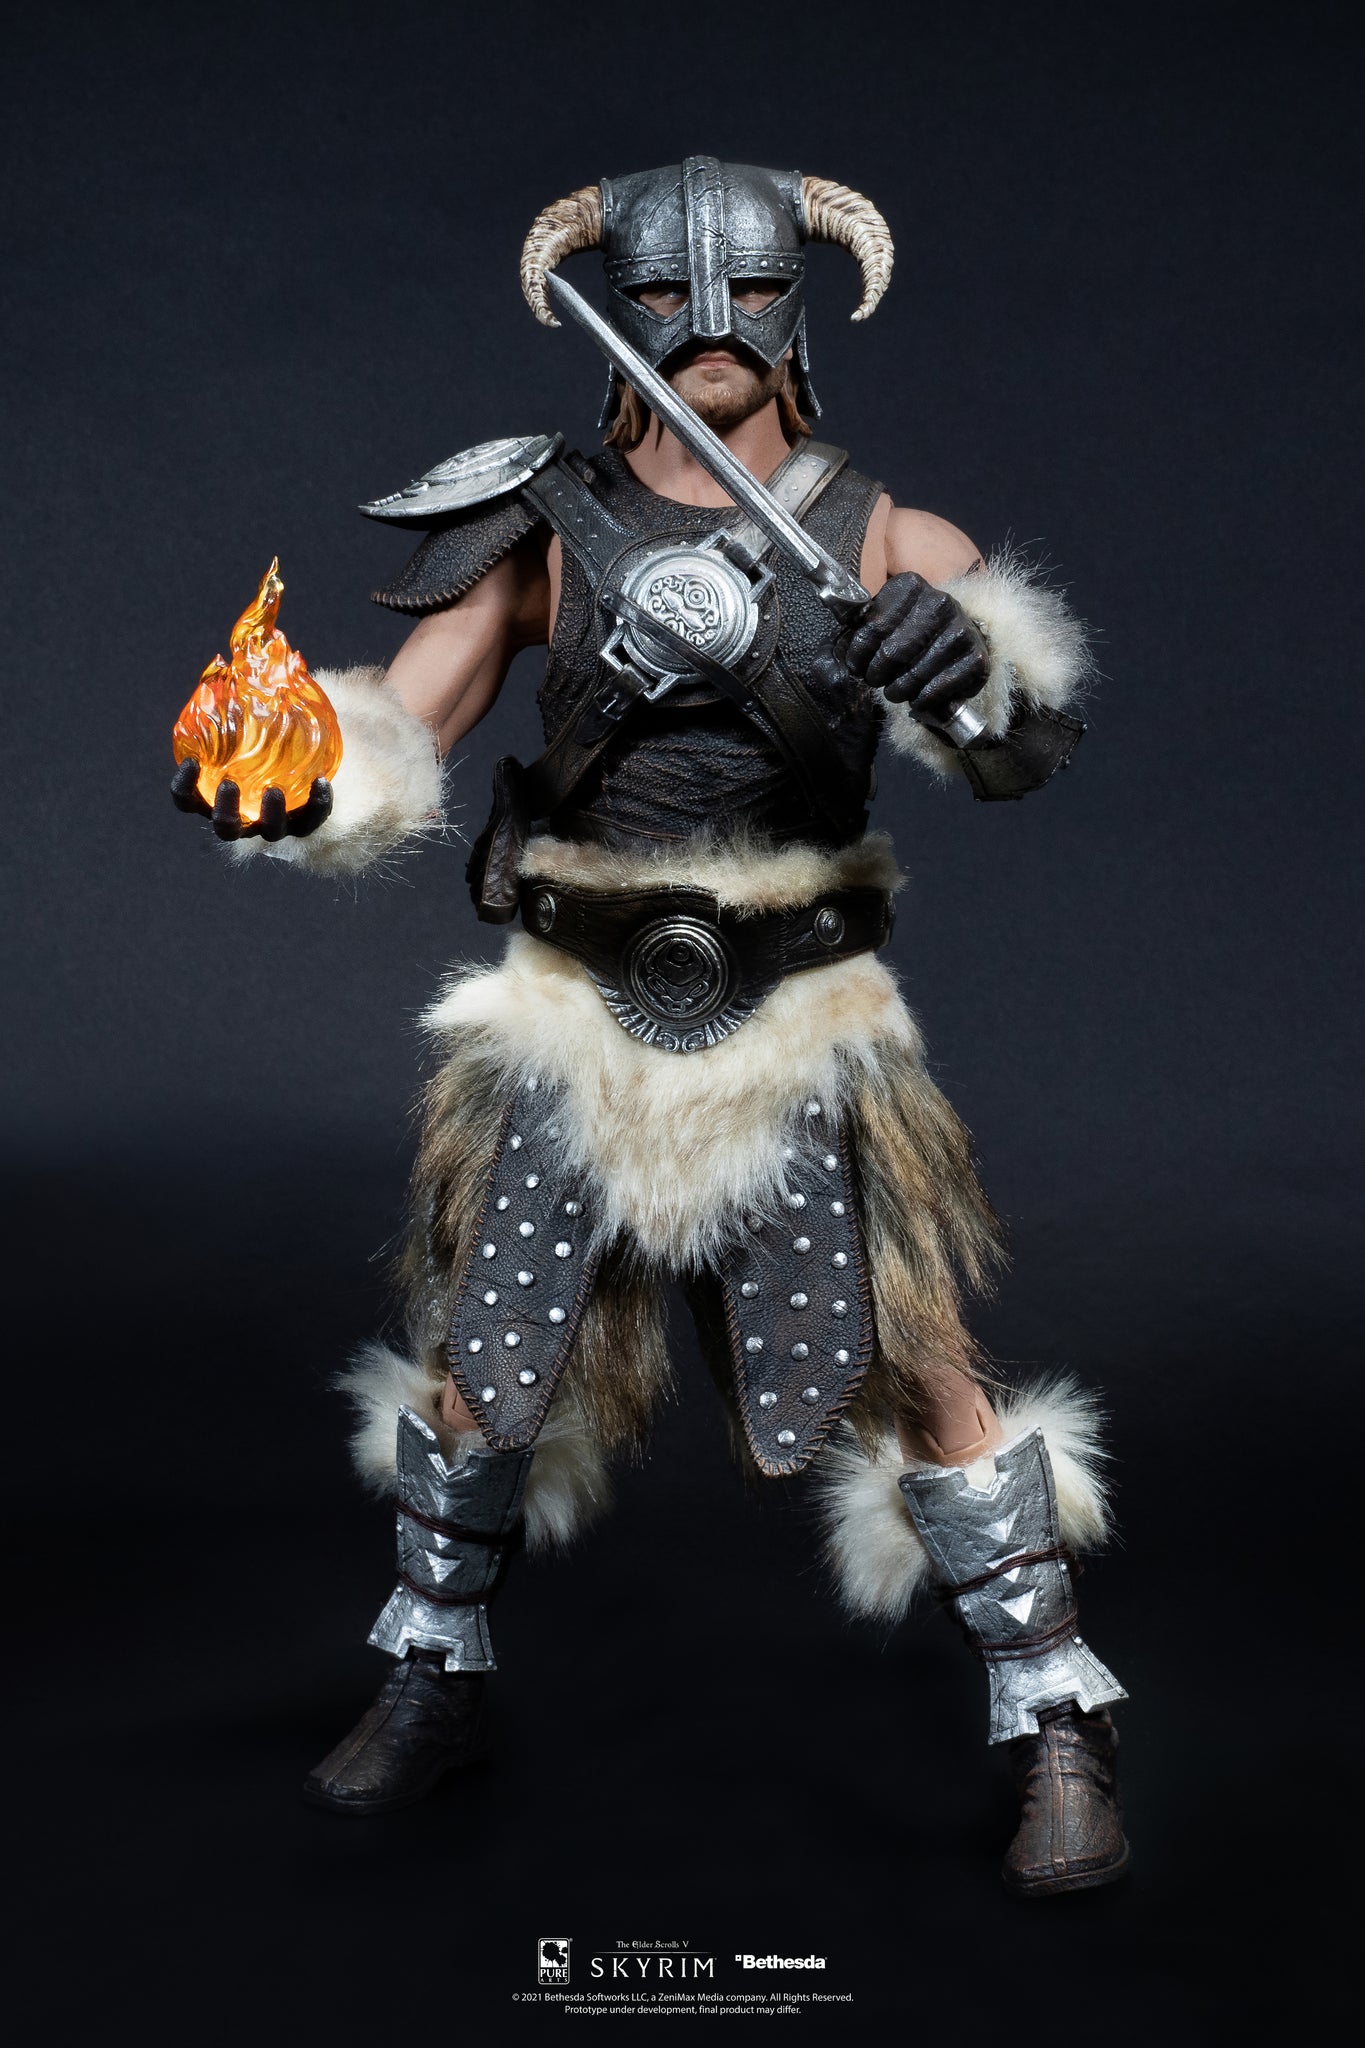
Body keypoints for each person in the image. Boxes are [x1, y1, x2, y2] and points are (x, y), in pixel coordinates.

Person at [174, 158, 1128, 1897]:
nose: (704, 322)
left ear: (798, 307)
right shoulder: (540, 522)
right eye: (665, 291)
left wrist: (965, 669)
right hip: (569, 1028)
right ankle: (432, 1673)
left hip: (800, 1027)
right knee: (485, 1364)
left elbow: (1017, 753)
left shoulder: (890, 539)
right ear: (610, 309)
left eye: (745, 290)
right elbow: (408, 723)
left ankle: (1055, 1713)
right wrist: (293, 769)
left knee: (917, 1366)